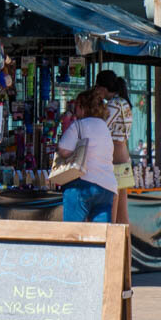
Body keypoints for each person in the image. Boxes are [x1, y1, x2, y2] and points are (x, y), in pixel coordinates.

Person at [56, 89, 117, 223]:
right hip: (107, 187)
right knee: (100, 235)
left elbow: (63, 150)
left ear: (83, 108)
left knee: (73, 233)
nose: (75, 109)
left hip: (82, 184)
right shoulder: (105, 127)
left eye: (77, 106)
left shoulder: (78, 126)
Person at [95, 70, 136, 224]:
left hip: (115, 160)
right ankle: (126, 247)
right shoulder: (124, 103)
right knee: (122, 213)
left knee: (112, 210)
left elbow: (100, 126)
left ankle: (112, 246)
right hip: (124, 157)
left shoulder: (114, 105)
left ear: (103, 88)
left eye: (98, 87)